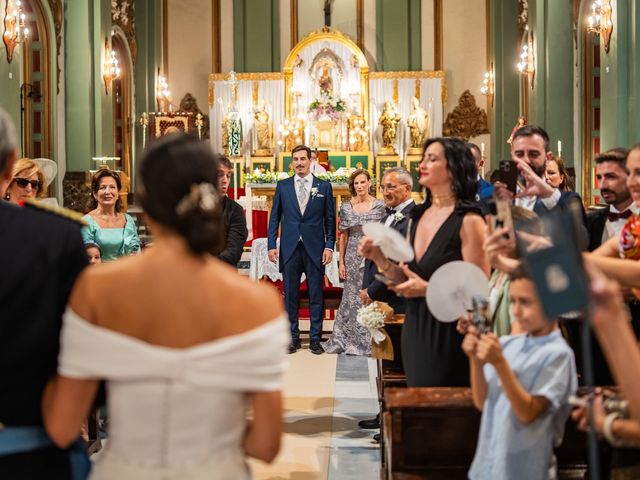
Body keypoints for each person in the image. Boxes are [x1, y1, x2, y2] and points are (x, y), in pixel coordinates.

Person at [42, 133, 289, 479]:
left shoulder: (97, 288)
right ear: (209, 192)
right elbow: (266, 444)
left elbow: (62, 424)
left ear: (144, 200)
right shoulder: (258, 301)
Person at [0, 107, 90, 479]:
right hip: (28, 445)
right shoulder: (55, 237)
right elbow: (83, 342)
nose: (31, 189)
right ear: (9, 166)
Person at [360, 137, 489, 387]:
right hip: (417, 326)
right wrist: (379, 258)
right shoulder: (418, 218)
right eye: (424, 158)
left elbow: (480, 296)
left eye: (432, 158)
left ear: (454, 167)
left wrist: (428, 289)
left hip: (453, 332)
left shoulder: (470, 221)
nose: (423, 164)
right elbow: (406, 277)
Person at [463, 266, 577, 480]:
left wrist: (500, 364)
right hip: (489, 463)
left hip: (524, 469)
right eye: (513, 301)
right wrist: (475, 360)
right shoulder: (508, 343)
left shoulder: (558, 354)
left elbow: (528, 413)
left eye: (525, 302)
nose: (516, 311)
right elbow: (481, 401)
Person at [358, 167, 415, 433]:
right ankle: (384, 412)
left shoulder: (412, 218)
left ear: (407, 188)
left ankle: (393, 419)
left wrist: (372, 290)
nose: (385, 192)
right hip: (383, 296)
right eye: (383, 187)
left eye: (391, 187)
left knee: (396, 362)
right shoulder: (390, 215)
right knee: (384, 359)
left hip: (396, 299)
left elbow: (395, 262)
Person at [268, 144, 336, 355]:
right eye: (295, 159)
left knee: (316, 294)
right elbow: (275, 218)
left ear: (310, 161)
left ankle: (315, 339)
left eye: (302, 159)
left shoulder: (323, 187)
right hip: (289, 247)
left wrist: (329, 246)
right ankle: (292, 338)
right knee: (290, 295)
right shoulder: (283, 186)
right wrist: (272, 244)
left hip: (315, 247)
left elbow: (330, 220)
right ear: (292, 163)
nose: (299, 163)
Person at [322, 169, 384, 355]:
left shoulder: (379, 205)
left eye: (362, 182)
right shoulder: (347, 206)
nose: (359, 186)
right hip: (351, 255)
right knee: (351, 297)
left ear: (369, 183)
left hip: (372, 254)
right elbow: (343, 236)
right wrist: (341, 262)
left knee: (370, 295)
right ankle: (349, 338)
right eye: (356, 183)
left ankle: (370, 339)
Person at [494, 125, 584, 217]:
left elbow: (576, 228)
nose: (526, 160)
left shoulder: (568, 200)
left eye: (533, 154)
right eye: (519, 154)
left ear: (547, 157)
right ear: (512, 156)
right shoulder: (496, 198)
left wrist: (548, 194)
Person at [82, 169, 140, 261]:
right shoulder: (87, 222)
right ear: (94, 194)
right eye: (102, 187)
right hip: (101, 273)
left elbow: (137, 252)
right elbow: (85, 259)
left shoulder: (128, 220)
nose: (107, 192)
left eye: (112, 187)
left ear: (117, 193)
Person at [586, 148, 636, 252]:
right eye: (599, 177)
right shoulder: (590, 221)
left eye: (611, 177)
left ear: (630, 177)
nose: (602, 185)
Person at [215, 156, 248, 267]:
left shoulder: (235, 210)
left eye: (228, 176)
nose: (225, 180)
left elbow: (234, 250)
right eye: (220, 174)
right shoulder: (195, 207)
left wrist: (207, 267)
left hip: (224, 273)